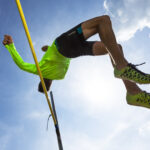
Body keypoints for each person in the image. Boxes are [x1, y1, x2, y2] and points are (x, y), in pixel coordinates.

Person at [3, 15, 150, 109]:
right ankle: (124, 71)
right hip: (64, 44)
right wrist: (10, 45)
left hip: (73, 51)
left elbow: (59, 58)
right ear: (41, 80)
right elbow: (22, 64)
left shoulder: (60, 76)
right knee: (103, 21)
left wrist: (48, 50)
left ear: (50, 83)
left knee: (115, 49)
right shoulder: (40, 70)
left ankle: (133, 92)